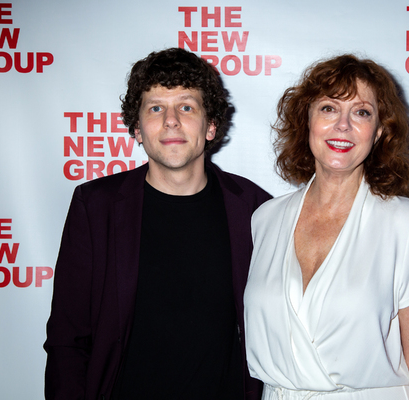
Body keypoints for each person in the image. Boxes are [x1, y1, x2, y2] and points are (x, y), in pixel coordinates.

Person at [44, 47, 270, 400]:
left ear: (211, 126)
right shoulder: (96, 206)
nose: (171, 120)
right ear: (137, 128)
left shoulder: (255, 208)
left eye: (186, 106)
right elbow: (67, 338)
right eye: (155, 108)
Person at [244, 54, 409, 399]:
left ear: (379, 132)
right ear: (306, 120)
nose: (343, 125)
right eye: (329, 108)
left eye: (362, 112)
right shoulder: (265, 218)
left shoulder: (403, 220)